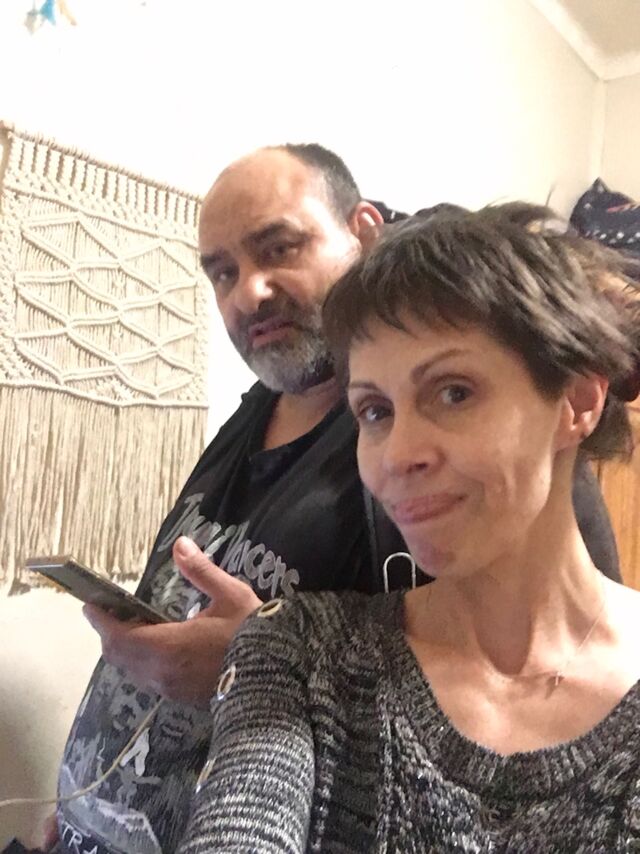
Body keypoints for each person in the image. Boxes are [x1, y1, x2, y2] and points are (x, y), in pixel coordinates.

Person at [48, 148, 619, 853]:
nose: (249, 292)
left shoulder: (511, 474)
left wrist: (254, 664)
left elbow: (548, 650)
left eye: (278, 248)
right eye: (222, 272)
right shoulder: (257, 412)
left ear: (363, 232)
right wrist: (84, 795)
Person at [179, 205, 640, 853]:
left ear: (577, 401)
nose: (397, 455)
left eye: (453, 393)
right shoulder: (300, 656)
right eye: (375, 410)